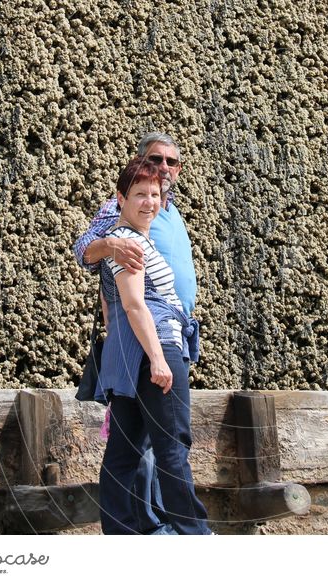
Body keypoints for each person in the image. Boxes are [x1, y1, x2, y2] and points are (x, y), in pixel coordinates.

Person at [73, 133, 196, 534]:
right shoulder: (122, 205)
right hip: (146, 334)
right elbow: (82, 250)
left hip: (171, 330)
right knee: (158, 443)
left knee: (136, 443)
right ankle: (155, 527)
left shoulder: (168, 208)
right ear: (141, 159)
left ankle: (134, 528)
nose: (164, 167)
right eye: (156, 159)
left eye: (171, 163)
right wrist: (108, 243)